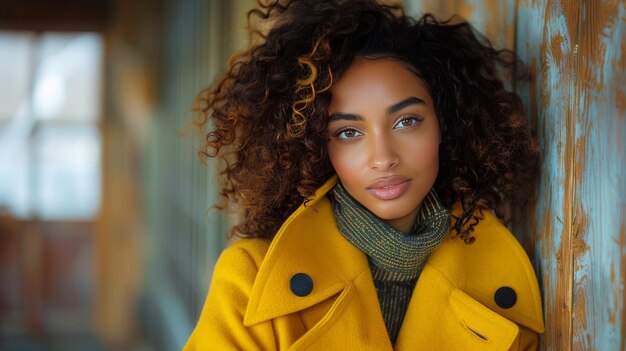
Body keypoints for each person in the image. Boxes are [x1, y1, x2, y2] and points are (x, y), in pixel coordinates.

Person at [184, 0, 544, 349]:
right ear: (315, 147)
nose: (383, 158)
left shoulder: (502, 286)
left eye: (407, 121)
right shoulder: (252, 281)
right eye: (348, 132)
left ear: (445, 127)